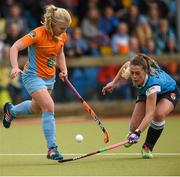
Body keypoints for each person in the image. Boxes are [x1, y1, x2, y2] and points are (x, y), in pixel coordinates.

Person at [2, 5, 72, 161]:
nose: (64, 31)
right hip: (32, 76)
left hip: (50, 78)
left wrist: (64, 69)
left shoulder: (62, 35)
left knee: (36, 107)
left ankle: (11, 111)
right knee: (49, 106)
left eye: (66, 28)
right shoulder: (37, 34)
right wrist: (15, 66)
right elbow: (15, 47)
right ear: (52, 23)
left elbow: (60, 52)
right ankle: (52, 149)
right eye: (61, 28)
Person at [102, 53, 179, 159]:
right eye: (132, 73)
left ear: (145, 71)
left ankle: (148, 146)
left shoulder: (152, 84)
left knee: (158, 114)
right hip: (145, 92)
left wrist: (138, 133)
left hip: (168, 92)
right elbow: (126, 65)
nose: (134, 77)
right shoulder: (132, 68)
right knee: (134, 127)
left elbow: (149, 114)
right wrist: (114, 83)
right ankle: (132, 133)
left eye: (138, 73)